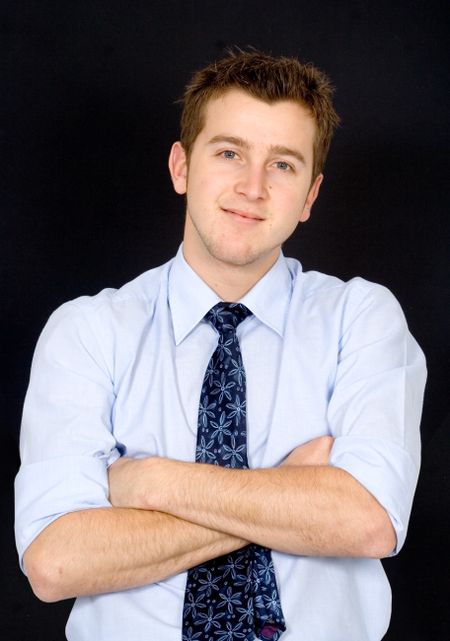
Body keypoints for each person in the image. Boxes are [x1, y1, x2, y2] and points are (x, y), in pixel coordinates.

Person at [15, 50, 426, 641]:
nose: (252, 188)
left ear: (310, 196)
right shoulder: (88, 331)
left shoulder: (361, 319)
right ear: (182, 167)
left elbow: (368, 521)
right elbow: (56, 563)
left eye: (282, 165)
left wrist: (153, 483)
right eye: (229, 152)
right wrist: (288, 488)